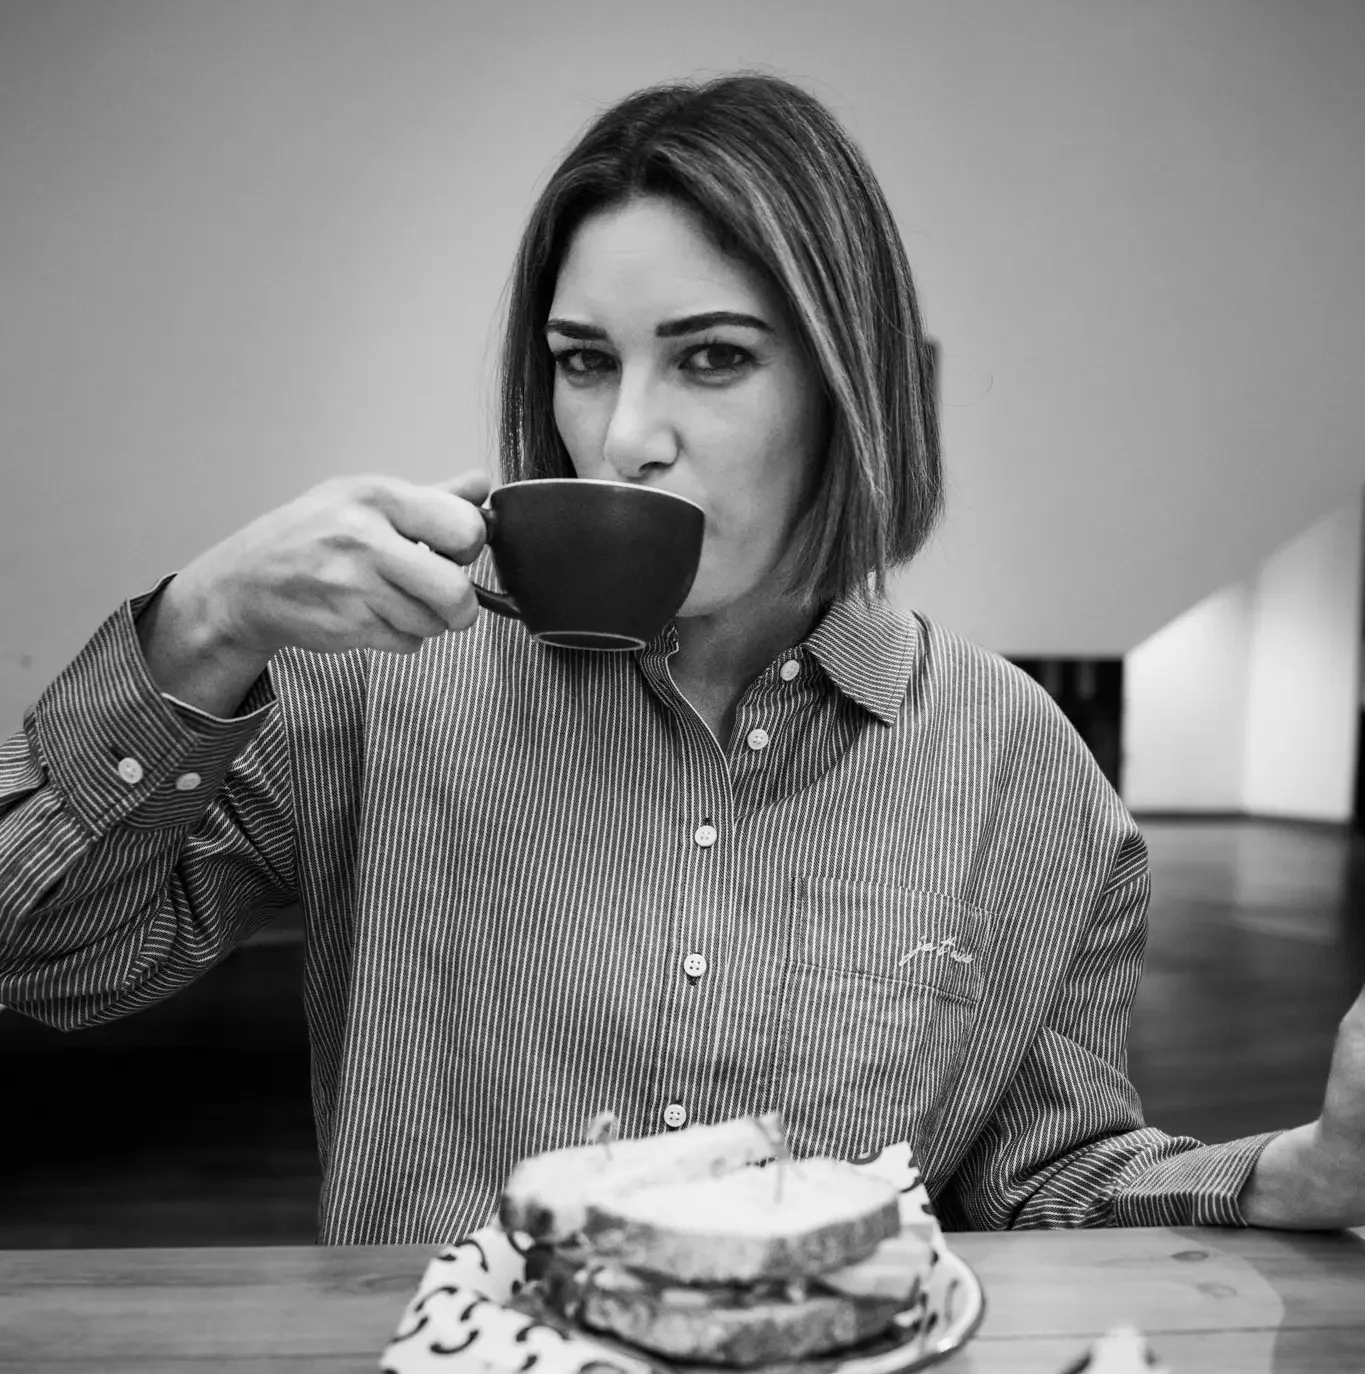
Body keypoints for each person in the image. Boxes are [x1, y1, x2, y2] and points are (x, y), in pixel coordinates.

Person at [2, 71, 1362, 1245]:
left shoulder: (1017, 765)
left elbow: (1052, 1183)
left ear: (849, 388)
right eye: (583, 362)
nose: (622, 435)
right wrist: (205, 628)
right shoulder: (377, 678)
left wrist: (1297, 1175)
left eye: (710, 360)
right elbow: (38, 957)